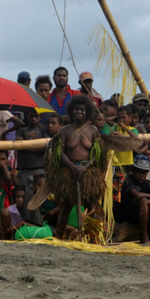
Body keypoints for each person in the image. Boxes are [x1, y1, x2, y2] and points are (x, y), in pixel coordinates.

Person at [43, 95, 106, 236]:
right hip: (69, 172)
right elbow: (60, 153)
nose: (79, 112)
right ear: (71, 111)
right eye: (76, 109)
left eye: (82, 110)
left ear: (87, 112)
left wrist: (86, 166)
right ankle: (59, 235)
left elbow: (98, 153)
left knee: (92, 205)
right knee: (65, 206)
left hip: (88, 172)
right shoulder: (65, 130)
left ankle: (97, 236)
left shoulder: (93, 130)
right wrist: (72, 167)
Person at [117, 156, 150, 244]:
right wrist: (149, 198)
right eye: (138, 172)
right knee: (142, 200)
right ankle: (144, 238)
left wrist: (147, 202)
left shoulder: (147, 183)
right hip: (127, 212)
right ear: (133, 170)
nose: (141, 175)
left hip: (144, 211)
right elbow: (138, 195)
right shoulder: (128, 180)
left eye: (143, 173)